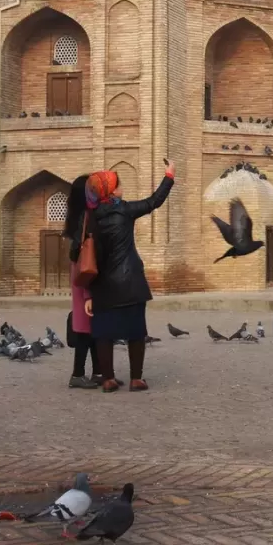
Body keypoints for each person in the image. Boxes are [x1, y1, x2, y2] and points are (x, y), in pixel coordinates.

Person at [87, 160, 175, 393]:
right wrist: (169, 176)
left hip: (102, 284)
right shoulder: (124, 210)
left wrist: (87, 291)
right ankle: (136, 379)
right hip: (130, 281)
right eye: (118, 184)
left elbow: (79, 252)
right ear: (111, 190)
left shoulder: (90, 217)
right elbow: (154, 202)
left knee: (104, 334)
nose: (121, 187)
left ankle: (108, 379)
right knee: (136, 331)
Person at [65, 174, 100, 389]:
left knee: (93, 328)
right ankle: (77, 374)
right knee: (85, 329)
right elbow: (81, 253)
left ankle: (97, 372)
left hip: (83, 274)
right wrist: (88, 293)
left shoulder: (79, 215)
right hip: (85, 275)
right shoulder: (85, 218)